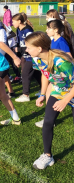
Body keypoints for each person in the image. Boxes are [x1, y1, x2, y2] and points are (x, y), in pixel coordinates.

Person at [24, 32, 74, 170]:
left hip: (72, 92)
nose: (26, 50)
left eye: (28, 47)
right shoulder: (38, 59)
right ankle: (47, 155)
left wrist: (65, 101)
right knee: (48, 121)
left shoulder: (61, 62)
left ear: (39, 48)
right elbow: (46, 75)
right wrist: (42, 94)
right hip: (59, 89)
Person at [12, 13, 42, 102]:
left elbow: (32, 45)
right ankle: (43, 90)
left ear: (19, 21)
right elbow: (18, 41)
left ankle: (26, 95)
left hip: (31, 56)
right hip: (25, 56)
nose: (12, 23)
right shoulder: (18, 29)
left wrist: (19, 49)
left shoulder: (28, 30)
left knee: (25, 74)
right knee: (36, 73)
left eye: (13, 21)